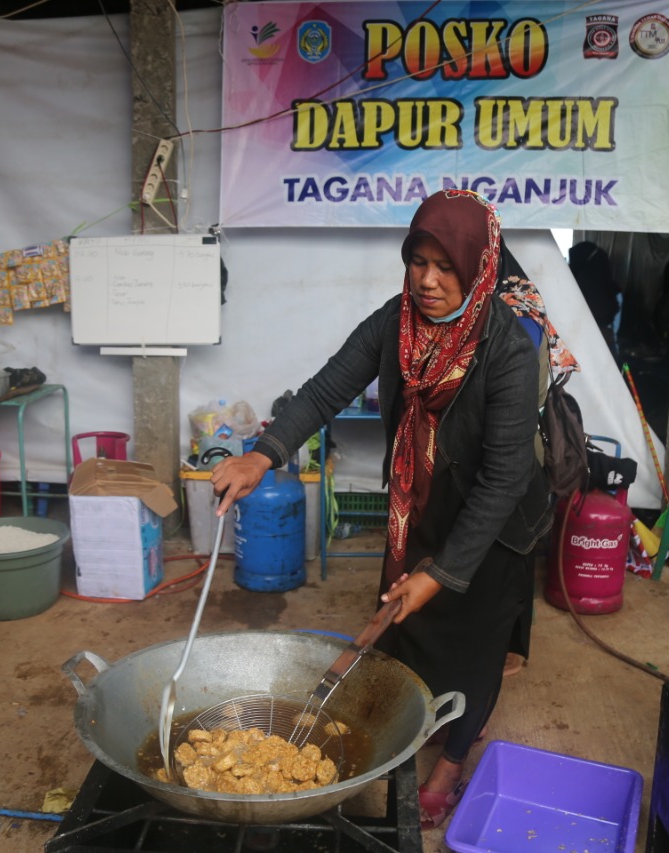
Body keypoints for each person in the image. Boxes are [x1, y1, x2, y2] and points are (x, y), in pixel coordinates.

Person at [210, 189, 554, 830]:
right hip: (420, 499)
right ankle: (421, 718)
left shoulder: (507, 348)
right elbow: (324, 389)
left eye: (445, 266)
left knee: (472, 641)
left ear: (479, 265)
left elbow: (505, 477)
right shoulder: (393, 322)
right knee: (409, 627)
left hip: (496, 519)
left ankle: (452, 760)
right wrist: (265, 455)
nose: (427, 280)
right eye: (417, 261)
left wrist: (440, 573)